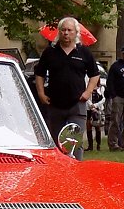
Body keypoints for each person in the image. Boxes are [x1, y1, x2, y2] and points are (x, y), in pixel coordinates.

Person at [33, 17, 100, 159]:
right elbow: (39, 74)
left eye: (69, 30)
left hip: (77, 104)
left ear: (76, 32)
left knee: (74, 141)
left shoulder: (84, 53)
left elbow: (95, 75)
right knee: (57, 142)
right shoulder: (50, 52)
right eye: (63, 30)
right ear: (59, 32)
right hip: (55, 104)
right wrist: (41, 93)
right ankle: (59, 173)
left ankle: (77, 172)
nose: (66, 33)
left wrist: (88, 92)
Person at [106, 45, 124, 150]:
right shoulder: (115, 66)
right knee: (115, 121)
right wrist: (113, 95)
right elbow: (110, 82)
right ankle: (113, 143)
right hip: (118, 97)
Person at [85, 87, 105, 152]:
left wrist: (96, 105)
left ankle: (98, 145)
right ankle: (90, 146)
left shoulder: (101, 88)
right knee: (88, 126)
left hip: (98, 109)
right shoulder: (88, 87)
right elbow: (86, 96)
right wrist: (91, 105)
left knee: (98, 127)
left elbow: (103, 99)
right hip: (89, 109)